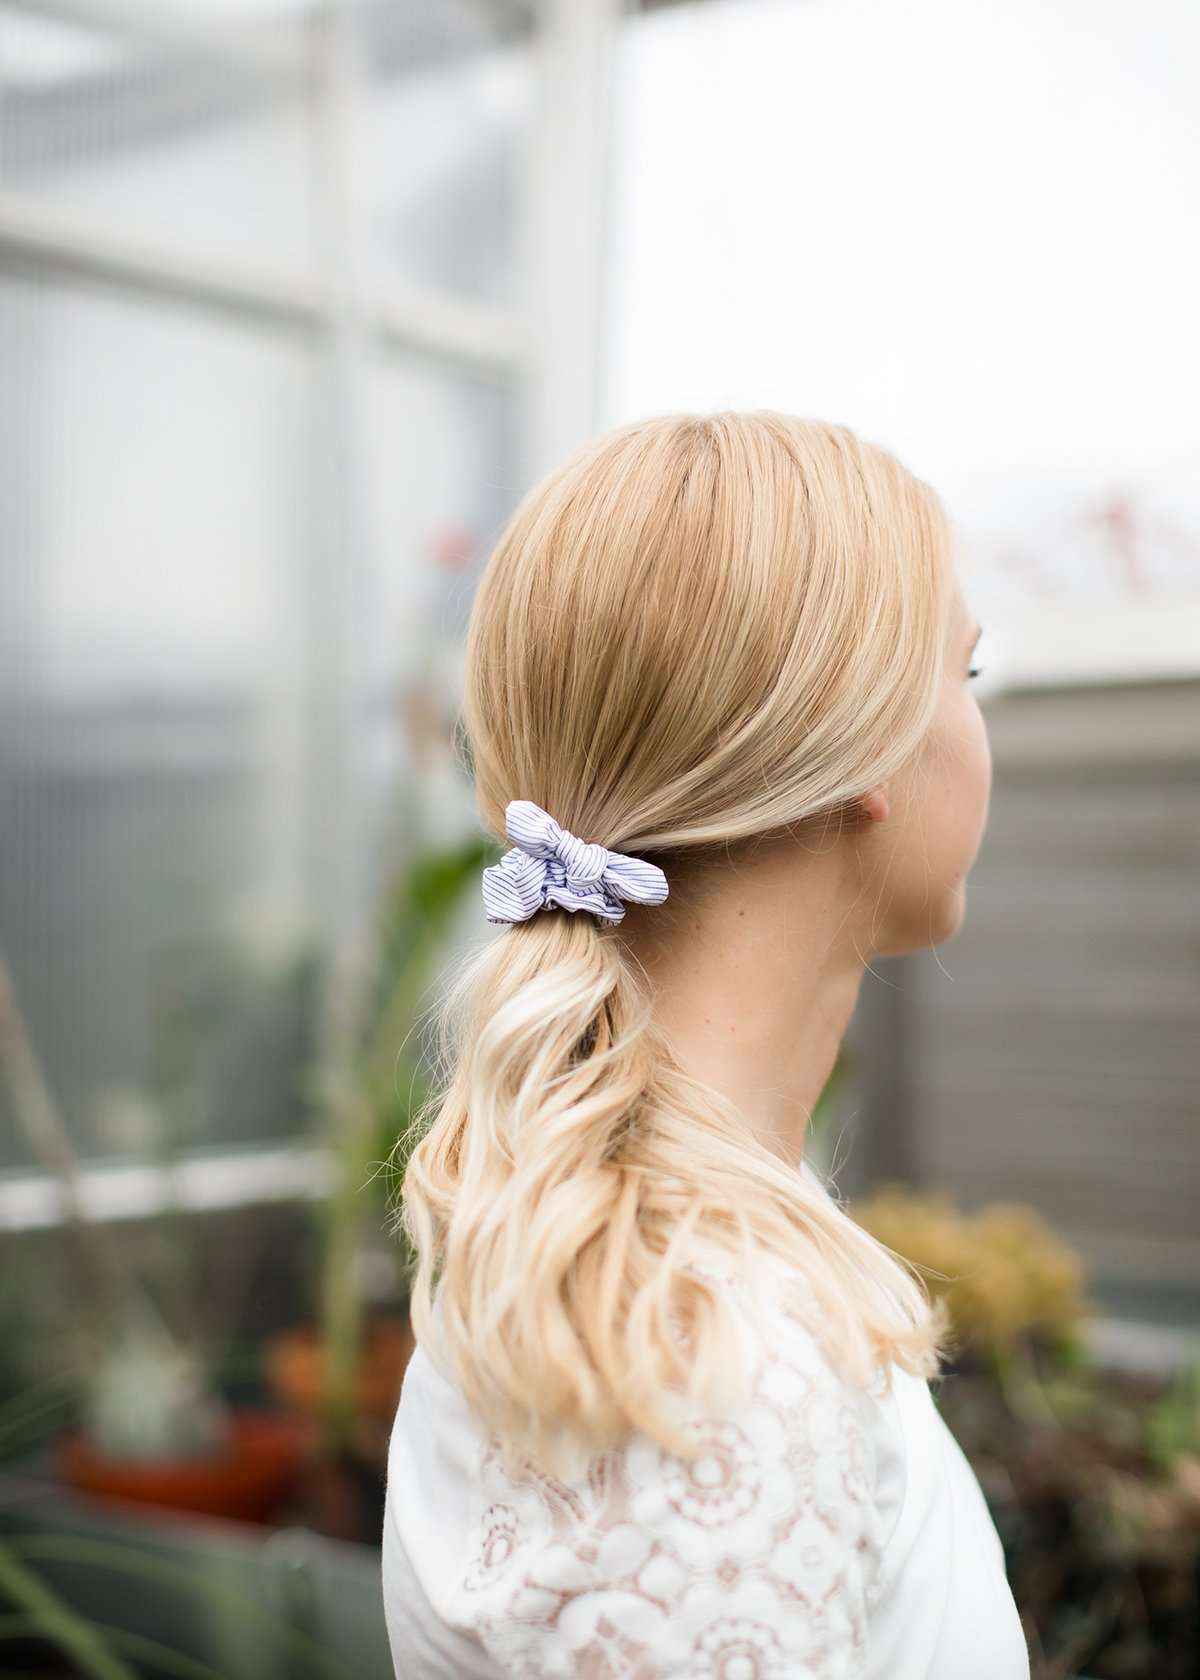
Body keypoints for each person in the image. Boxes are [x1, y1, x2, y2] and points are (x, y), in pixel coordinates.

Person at [381, 411, 1031, 1678]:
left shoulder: (640, 1276)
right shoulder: (705, 1356)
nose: (976, 726)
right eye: (967, 674)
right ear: (872, 744)